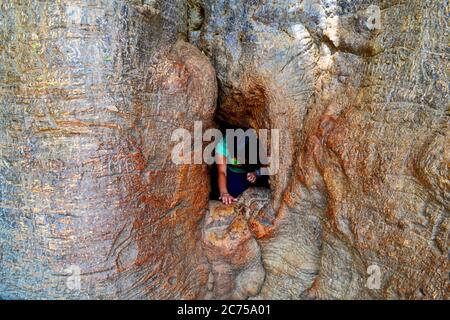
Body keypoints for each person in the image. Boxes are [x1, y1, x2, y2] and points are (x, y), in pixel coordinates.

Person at [215, 130, 267, 205]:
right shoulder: (223, 144)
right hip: (234, 172)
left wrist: (257, 173)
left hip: (254, 168)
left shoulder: (259, 146)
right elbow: (222, 172)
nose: (237, 162)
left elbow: (267, 166)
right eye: (235, 159)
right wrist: (224, 193)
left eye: (241, 160)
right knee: (234, 197)